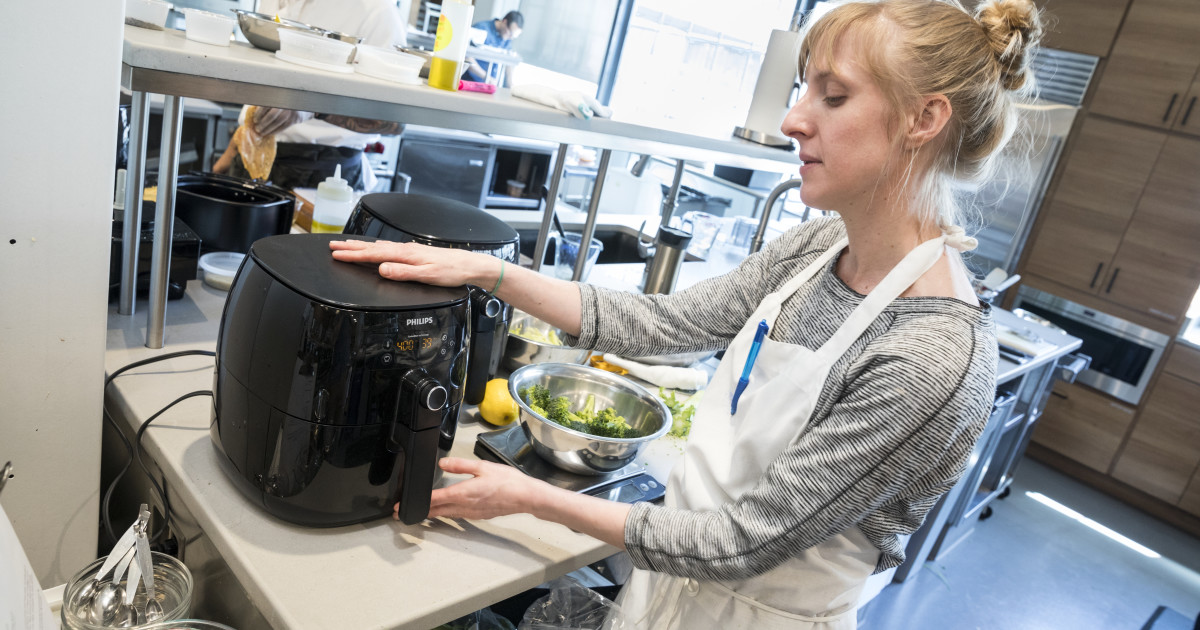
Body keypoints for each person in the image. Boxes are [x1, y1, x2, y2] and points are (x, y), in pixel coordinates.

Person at [329, 0, 1041, 626]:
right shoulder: (822, 247)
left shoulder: (934, 359)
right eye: (804, 91)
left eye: (833, 96)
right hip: (667, 597)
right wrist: (493, 273)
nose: (793, 119)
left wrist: (529, 497)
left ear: (925, 118)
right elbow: (667, 326)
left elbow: (743, 544)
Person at [212, 0, 407, 191]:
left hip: (325, 178)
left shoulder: (377, 11)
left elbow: (395, 121)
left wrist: (312, 108)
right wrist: (233, 150)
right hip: (247, 159)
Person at [462, 10, 523, 85]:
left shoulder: (507, 39)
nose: (510, 37)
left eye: (513, 36)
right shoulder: (482, 28)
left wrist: (511, 85)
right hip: (469, 82)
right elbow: (467, 57)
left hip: (488, 85)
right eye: (510, 33)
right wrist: (486, 77)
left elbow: (508, 64)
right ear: (504, 21)